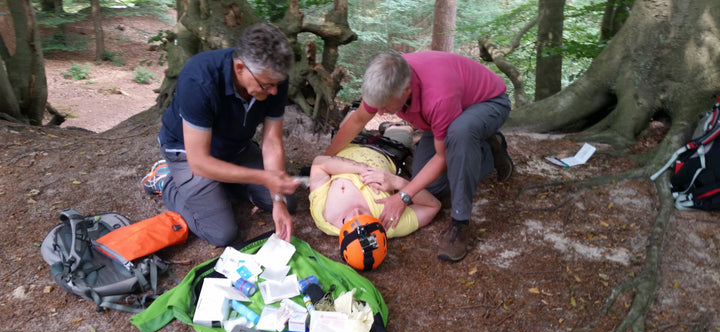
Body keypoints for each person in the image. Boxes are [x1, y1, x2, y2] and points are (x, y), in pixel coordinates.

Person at [324, 51, 513, 262]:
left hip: (487, 104)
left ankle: (460, 222)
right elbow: (358, 121)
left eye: (385, 107)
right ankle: (486, 147)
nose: (379, 112)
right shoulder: (385, 81)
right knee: (430, 189)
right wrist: (328, 158)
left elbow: (441, 158)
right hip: (443, 121)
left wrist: (403, 196)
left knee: (460, 134)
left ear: (406, 90)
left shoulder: (438, 96)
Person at [142, 23, 300, 246]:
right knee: (221, 233)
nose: (274, 91)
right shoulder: (199, 79)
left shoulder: (273, 79)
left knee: (288, 201)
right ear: (239, 68)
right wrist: (265, 177)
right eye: (266, 85)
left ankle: (220, 182)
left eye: (277, 84)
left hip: (235, 148)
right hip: (188, 154)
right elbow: (199, 162)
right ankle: (166, 181)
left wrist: (277, 200)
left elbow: (272, 143)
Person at [309, 125, 441, 238]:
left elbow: (318, 164)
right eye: (364, 217)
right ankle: (394, 126)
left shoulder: (324, 216)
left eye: (346, 221)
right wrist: (397, 183)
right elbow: (432, 206)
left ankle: (355, 108)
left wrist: (360, 168)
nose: (356, 212)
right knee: (404, 132)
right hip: (387, 151)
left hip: (347, 145)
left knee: (353, 118)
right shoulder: (387, 223)